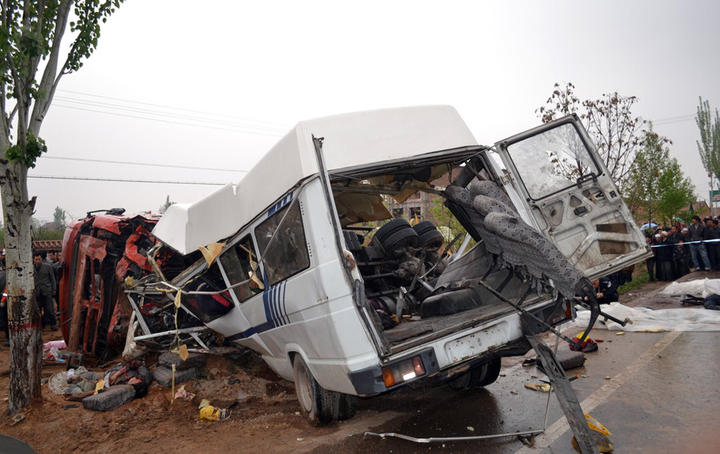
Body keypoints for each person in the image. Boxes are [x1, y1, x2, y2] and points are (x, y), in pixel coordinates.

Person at [34, 252, 57, 330]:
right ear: (33, 260)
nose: (38, 261)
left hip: (47, 290)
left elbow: (52, 278)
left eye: (39, 259)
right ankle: (41, 325)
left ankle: (53, 324)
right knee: (38, 310)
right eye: (36, 259)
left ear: (41, 259)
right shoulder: (31, 268)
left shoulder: (48, 267)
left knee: (50, 309)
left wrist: (54, 289)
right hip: (37, 292)